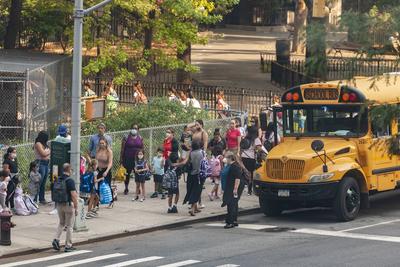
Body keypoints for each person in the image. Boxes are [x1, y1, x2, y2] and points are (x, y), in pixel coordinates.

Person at [52, 163, 78, 252]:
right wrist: (76, 207)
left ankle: (56, 239)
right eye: (71, 170)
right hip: (68, 205)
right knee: (69, 226)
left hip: (59, 205)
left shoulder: (58, 179)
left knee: (61, 223)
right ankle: (68, 245)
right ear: (69, 170)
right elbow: (74, 195)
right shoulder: (70, 181)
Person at [222, 152, 245, 229]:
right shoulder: (235, 165)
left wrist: (235, 189)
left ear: (230, 158)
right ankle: (234, 220)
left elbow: (237, 178)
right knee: (234, 203)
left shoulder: (234, 167)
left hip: (234, 187)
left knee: (231, 203)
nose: (225, 159)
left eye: (226, 158)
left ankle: (230, 222)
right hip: (234, 186)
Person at [120, 124, 144, 195]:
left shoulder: (140, 137)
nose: (134, 129)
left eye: (136, 128)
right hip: (127, 158)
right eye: (133, 128)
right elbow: (122, 149)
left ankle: (138, 188)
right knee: (127, 174)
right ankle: (126, 187)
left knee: (138, 173)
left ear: (138, 130)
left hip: (137, 159)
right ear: (130, 129)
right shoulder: (126, 137)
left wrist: (143, 158)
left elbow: (142, 148)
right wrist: (121, 159)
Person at [182, 140, 203, 216]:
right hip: (199, 174)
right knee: (196, 191)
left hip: (191, 174)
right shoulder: (202, 153)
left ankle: (195, 207)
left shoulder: (191, 153)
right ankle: (193, 209)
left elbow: (185, 162)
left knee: (191, 190)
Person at [241, 126, 262, 195]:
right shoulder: (256, 139)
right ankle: (249, 191)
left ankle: (241, 187)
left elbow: (241, 148)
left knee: (244, 173)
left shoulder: (245, 138)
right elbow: (259, 149)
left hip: (243, 157)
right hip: (250, 158)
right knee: (250, 174)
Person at [95, 137, 114, 208]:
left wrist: (106, 171)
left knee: (107, 185)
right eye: (100, 143)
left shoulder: (109, 151)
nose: (101, 144)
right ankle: (97, 202)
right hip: (98, 170)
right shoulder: (98, 150)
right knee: (97, 186)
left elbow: (110, 163)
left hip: (106, 170)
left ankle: (111, 201)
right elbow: (96, 160)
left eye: (103, 143)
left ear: (106, 143)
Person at [34, 131, 50, 204]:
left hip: (46, 164)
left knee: (43, 182)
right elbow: (43, 154)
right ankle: (34, 199)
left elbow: (46, 153)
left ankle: (42, 198)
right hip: (40, 163)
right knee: (38, 182)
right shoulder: (38, 144)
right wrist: (49, 152)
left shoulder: (45, 144)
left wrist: (47, 153)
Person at [3, 147, 18, 211]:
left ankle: (12, 206)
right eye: (13, 152)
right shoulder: (6, 161)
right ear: (9, 153)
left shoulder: (14, 160)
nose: (15, 154)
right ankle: (5, 207)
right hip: (10, 179)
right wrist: (9, 177)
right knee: (8, 193)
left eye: (15, 152)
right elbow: (5, 170)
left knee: (13, 193)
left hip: (15, 178)